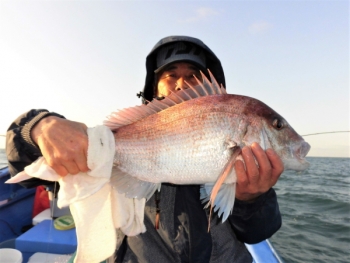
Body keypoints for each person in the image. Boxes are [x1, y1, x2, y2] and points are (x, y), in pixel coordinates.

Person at [6, 36, 283, 262]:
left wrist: (251, 199)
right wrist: (38, 127)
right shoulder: (112, 142)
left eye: (194, 76)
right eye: (171, 74)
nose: (181, 83)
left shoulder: (246, 151)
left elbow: (258, 232)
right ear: (154, 87)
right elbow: (25, 168)